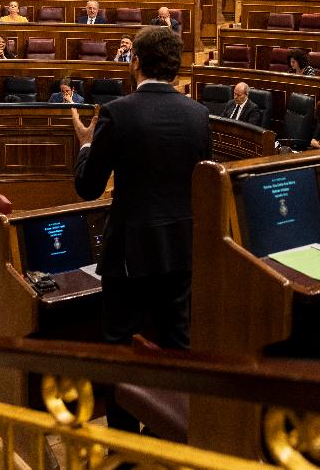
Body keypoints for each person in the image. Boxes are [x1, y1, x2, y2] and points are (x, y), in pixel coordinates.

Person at [69, 25, 211, 431]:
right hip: (181, 247)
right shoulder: (198, 114)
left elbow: (88, 187)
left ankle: (125, 447)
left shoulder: (119, 112)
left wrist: (85, 144)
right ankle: (176, 434)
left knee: (120, 348)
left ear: (135, 62)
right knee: (177, 342)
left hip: (130, 253)